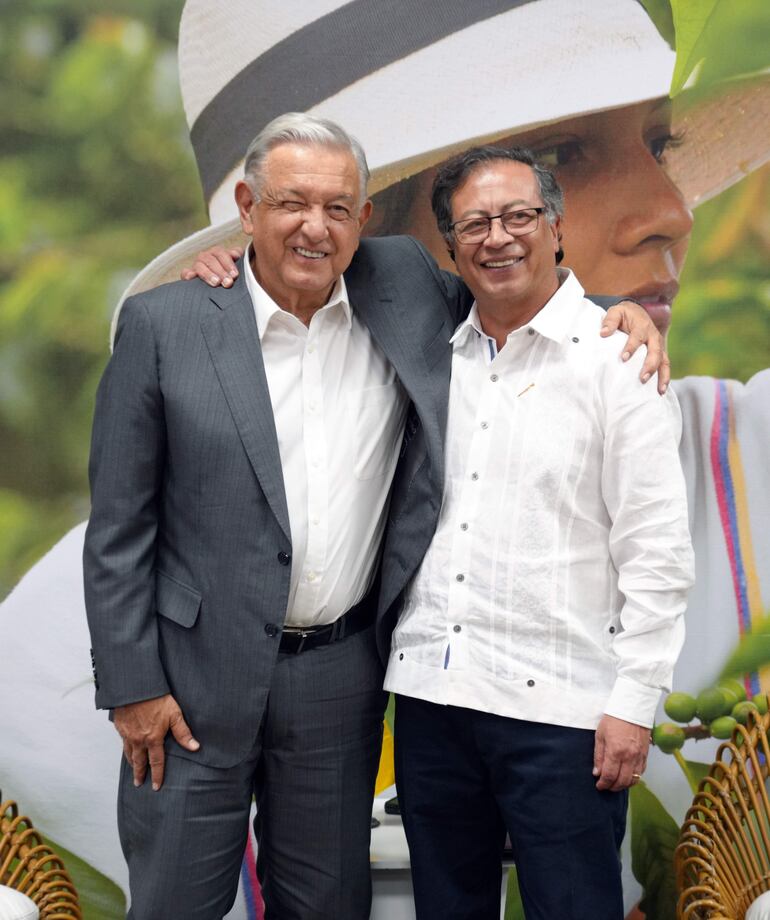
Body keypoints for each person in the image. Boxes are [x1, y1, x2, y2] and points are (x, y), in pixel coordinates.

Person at [381, 144, 694, 919]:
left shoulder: (618, 361)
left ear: (555, 228)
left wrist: (633, 704)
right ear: (450, 250)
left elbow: (657, 556)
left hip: (561, 715)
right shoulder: (433, 356)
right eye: (475, 224)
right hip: (431, 696)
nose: (499, 237)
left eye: (519, 215)